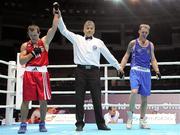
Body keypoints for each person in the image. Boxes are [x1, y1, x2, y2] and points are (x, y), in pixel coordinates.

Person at [58, 9, 121, 131]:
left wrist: (118, 67)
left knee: (97, 99)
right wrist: (59, 16)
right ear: (83, 29)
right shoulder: (76, 38)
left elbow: (108, 55)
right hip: (80, 71)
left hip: (94, 72)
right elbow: (63, 30)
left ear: (94, 30)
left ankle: (101, 124)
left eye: (91, 28)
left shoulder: (99, 42)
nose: (89, 29)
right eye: (87, 28)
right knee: (79, 99)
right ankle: (79, 124)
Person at [17, 4, 60, 134]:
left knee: (43, 101)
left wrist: (56, 14)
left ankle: (42, 123)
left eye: (35, 35)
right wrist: (32, 54)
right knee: (25, 100)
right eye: (31, 35)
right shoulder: (25, 45)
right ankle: (23, 124)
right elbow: (21, 61)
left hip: (42, 74)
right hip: (29, 74)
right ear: (28, 34)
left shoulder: (45, 42)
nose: (33, 37)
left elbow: (54, 28)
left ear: (39, 33)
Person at [119, 24, 161, 129]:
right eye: (143, 32)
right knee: (133, 92)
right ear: (139, 31)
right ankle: (130, 117)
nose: (144, 34)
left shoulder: (151, 45)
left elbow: (153, 59)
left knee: (144, 99)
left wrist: (157, 70)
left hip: (146, 73)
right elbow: (126, 56)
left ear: (148, 33)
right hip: (135, 71)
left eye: (146, 33)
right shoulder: (133, 43)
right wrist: (121, 68)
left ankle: (142, 120)